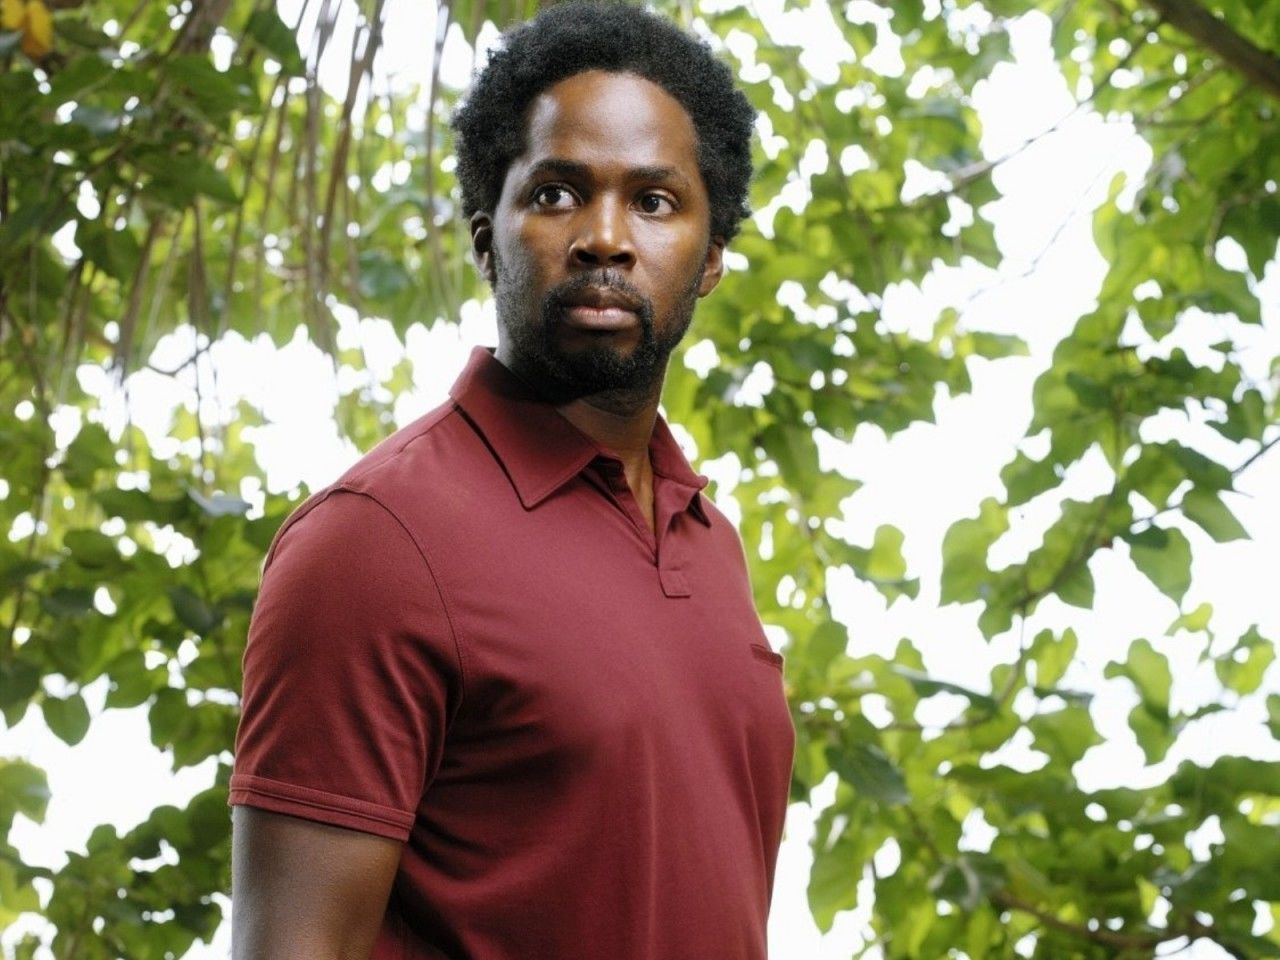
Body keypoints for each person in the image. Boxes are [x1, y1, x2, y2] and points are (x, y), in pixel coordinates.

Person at [228, 2, 796, 958]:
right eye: (557, 193)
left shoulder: (709, 540)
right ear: (487, 239)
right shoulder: (373, 542)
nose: (605, 238)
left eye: (654, 201)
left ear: (710, 261)